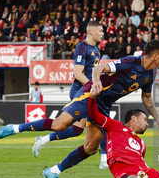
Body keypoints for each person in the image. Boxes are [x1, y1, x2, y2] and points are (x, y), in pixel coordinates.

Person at [0, 40, 159, 178]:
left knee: (91, 147)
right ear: (155, 56)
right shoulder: (131, 62)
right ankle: (16, 128)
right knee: (59, 124)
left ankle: (53, 171)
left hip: (104, 104)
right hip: (90, 95)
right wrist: (95, 84)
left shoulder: (149, 75)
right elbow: (99, 68)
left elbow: (147, 98)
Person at [32, 21, 108, 168]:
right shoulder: (82, 47)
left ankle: (43, 140)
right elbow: (77, 74)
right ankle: (104, 159)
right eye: (100, 31)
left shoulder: (96, 49)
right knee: (102, 120)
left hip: (88, 90)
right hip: (80, 91)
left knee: (76, 130)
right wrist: (93, 88)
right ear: (91, 32)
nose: (102, 33)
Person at [87, 85, 159, 178]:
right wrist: (92, 97)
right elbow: (94, 115)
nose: (147, 124)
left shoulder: (142, 144)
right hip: (124, 173)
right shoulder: (115, 126)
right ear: (133, 118)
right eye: (144, 120)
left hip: (145, 172)